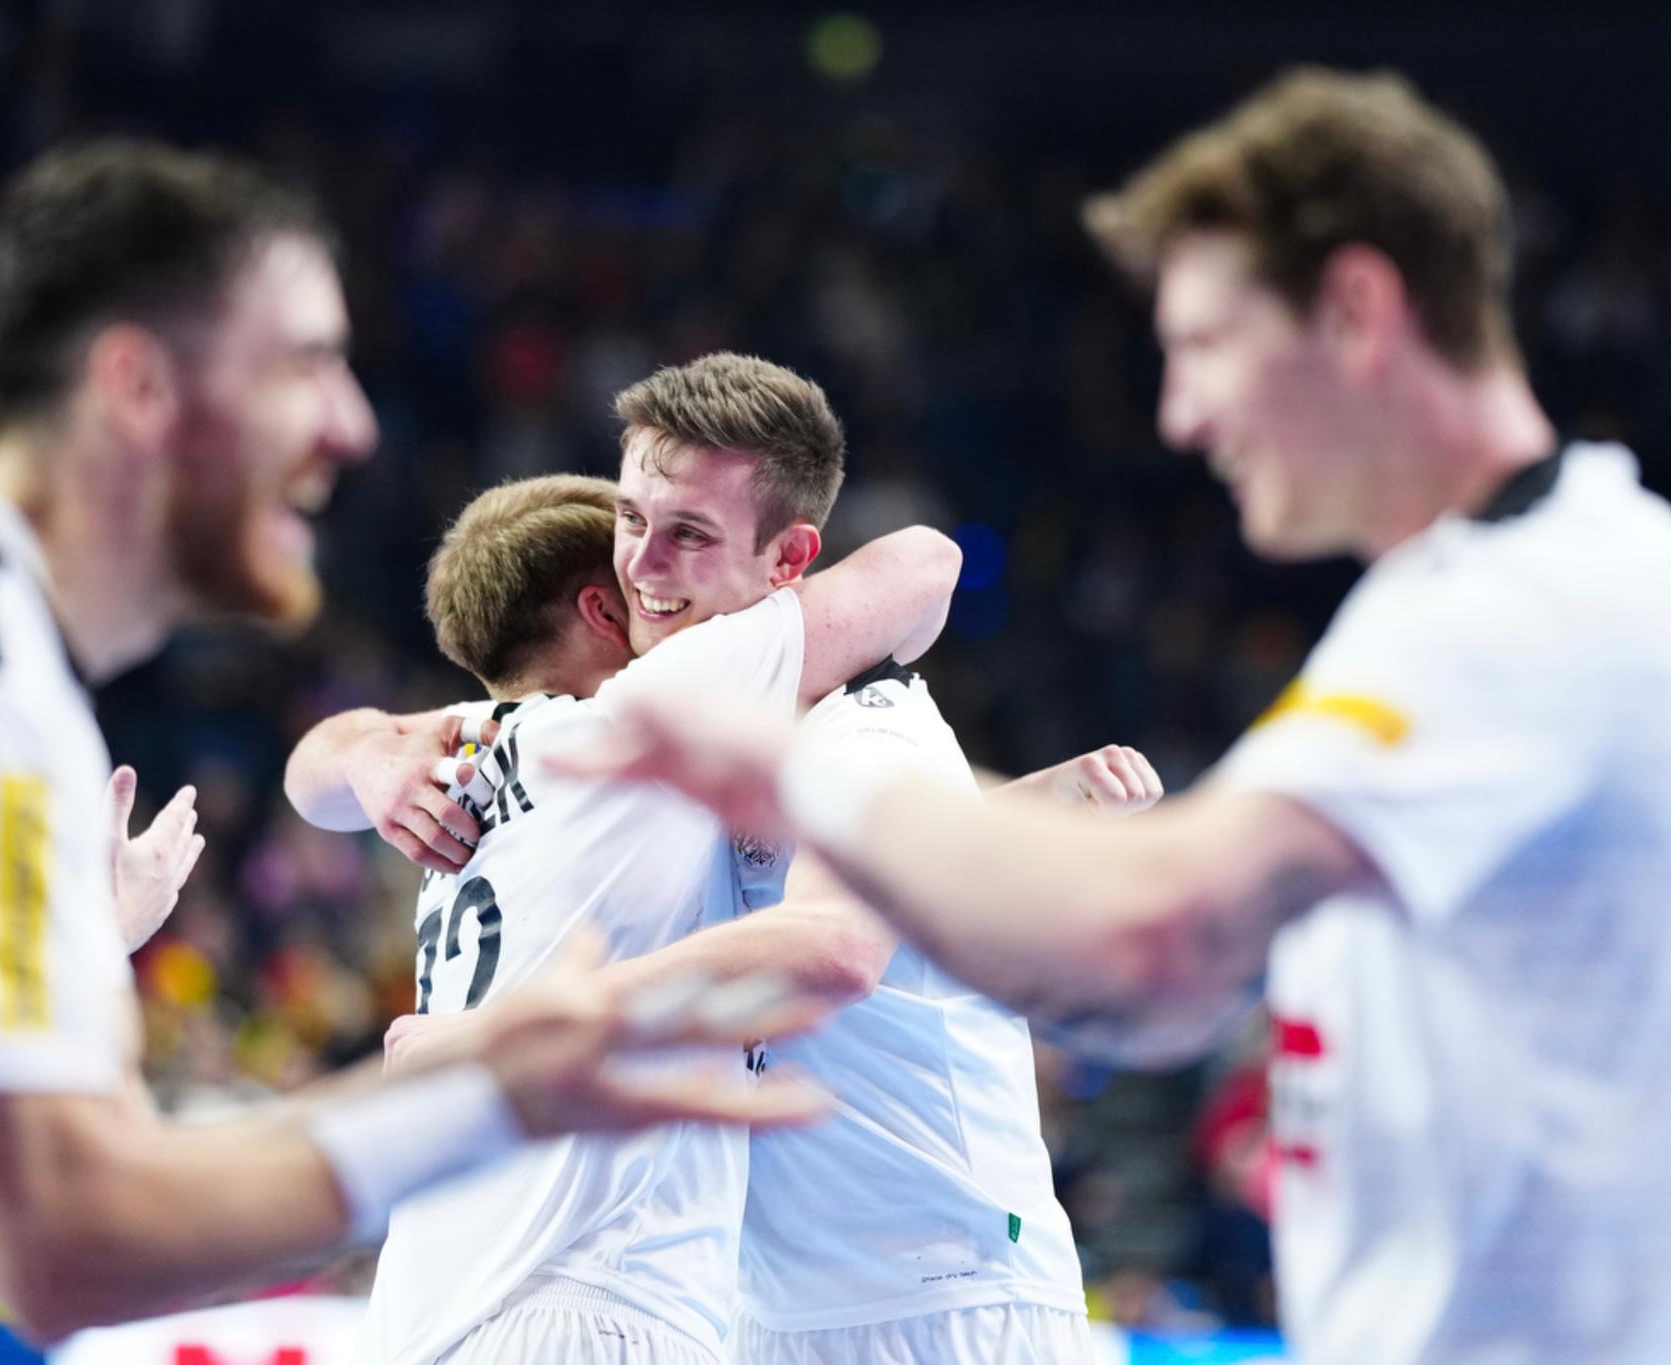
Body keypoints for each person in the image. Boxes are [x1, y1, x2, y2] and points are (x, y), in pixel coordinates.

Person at [558, 69, 1671, 1364]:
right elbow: (1171, 978)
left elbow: (1155, 951)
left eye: (1203, 345)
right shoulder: (1579, 565)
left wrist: (793, 779)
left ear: (1355, 308)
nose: (1182, 414)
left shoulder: (1518, 609)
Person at [0, 141, 821, 1365]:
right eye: (302, 365)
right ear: (137, 387)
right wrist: (484, 1095)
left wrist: (78, 942)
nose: (350, 425)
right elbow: (70, 1242)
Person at [295, 353, 1147, 1365]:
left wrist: (360, 759)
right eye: (629, 523)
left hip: (933, 1293)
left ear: (789, 563)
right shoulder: (635, 732)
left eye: (687, 534)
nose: (644, 568)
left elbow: (834, 929)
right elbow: (917, 572)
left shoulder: (844, 718)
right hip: (736, 1303)